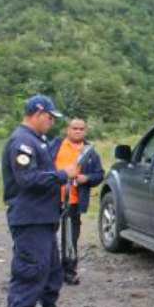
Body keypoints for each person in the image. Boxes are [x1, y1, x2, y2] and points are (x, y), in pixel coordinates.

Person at [1, 95, 83, 307]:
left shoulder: (37, 140)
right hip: (29, 218)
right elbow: (28, 179)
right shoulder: (22, 142)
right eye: (49, 117)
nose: (50, 123)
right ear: (37, 114)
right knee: (30, 270)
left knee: (52, 270)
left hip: (43, 217)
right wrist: (61, 175)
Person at [50, 117, 105, 285]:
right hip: (51, 198)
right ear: (68, 129)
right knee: (47, 235)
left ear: (85, 131)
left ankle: (69, 271)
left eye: (81, 129)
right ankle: (49, 271)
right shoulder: (55, 145)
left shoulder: (90, 152)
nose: (78, 131)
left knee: (71, 238)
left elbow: (99, 175)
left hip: (73, 201)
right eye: (74, 128)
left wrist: (86, 178)